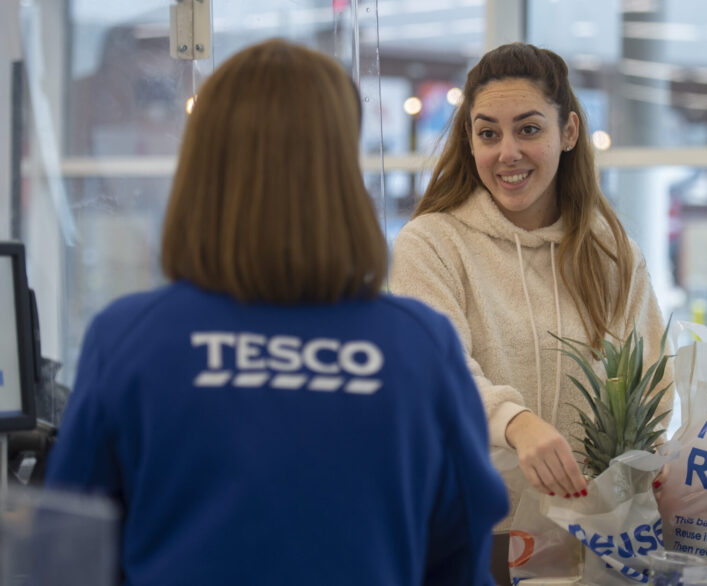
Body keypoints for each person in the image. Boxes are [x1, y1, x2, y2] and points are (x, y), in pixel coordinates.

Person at [44, 39, 508, 586]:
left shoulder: (130, 339)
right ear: (340, 172)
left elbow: (66, 557)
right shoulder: (419, 349)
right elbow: (459, 557)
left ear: (201, 171)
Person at [390, 43, 672, 527]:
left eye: (528, 129)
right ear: (469, 139)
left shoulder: (613, 255)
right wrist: (515, 423)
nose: (507, 153)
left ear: (568, 132)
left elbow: (653, 394)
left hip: (593, 536)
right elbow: (435, 377)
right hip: (471, 533)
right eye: (488, 133)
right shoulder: (431, 244)